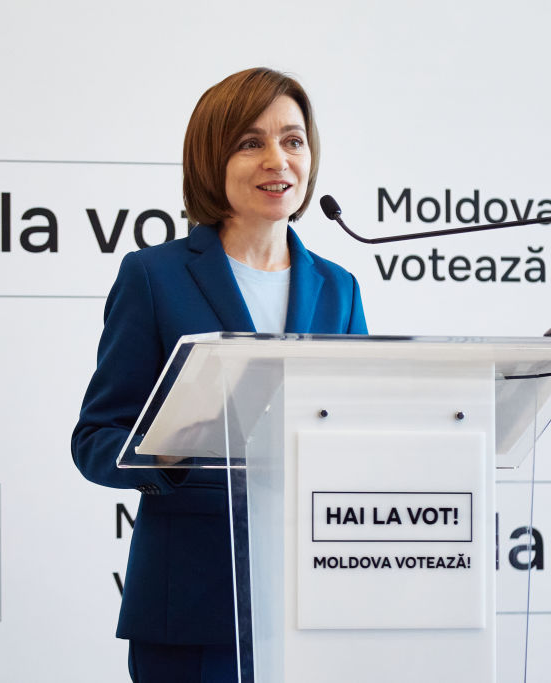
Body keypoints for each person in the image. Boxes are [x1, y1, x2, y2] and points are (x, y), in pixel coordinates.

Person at [71, 67, 367, 682]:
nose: (277, 160)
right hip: (192, 604)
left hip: (313, 598)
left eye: (293, 140)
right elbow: (97, 437)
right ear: (212, 159)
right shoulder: (153, 277)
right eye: (250, 142)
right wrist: (171, 451)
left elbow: (357, 433)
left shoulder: (339, 289)